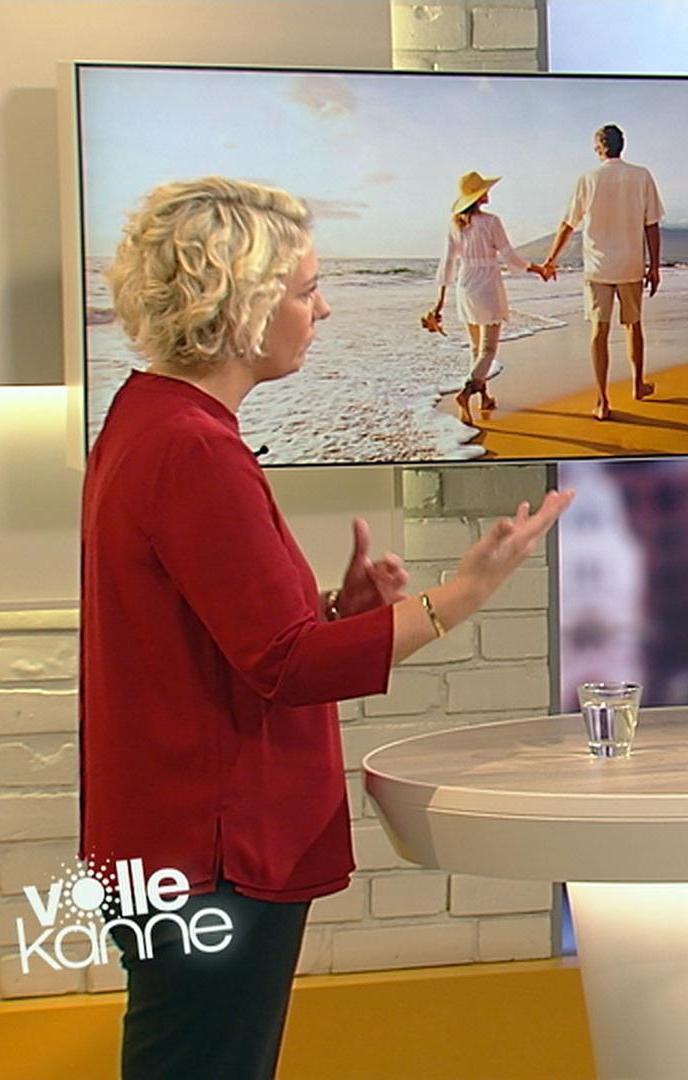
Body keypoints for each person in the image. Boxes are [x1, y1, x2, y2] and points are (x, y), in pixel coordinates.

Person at [86, 176, 574, 1080]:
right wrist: (464, 594)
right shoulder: (193, 447)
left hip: (177, 837)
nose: (324, 309)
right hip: (215, 850)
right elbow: (288, 666)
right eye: (308, 290)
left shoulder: (147, 417)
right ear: (243, 303)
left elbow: (224, 638)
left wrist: (339, 617)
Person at [540, 124, 664, 421]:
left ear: (599, 148)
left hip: (598, 268)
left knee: (599, 331)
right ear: (622, 145)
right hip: (631, 265)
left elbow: (568, 224)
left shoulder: (587, 179)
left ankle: (602, 401)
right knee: (633, 326)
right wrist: (655, 266)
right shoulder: (641, 175)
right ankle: (638, 385)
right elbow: (652, 225)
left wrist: (551, 260)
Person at [426, 170, 553, 422]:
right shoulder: (491, 222)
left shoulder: (455, 224)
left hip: (465, 286)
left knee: (476, 348)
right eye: (485, 190)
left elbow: (447, 263)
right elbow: (510, 257)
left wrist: (439, 303)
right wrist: (538, 269)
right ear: (478, 196)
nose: (489, 193)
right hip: (487, 287)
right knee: (488, 350)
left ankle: (484, 397)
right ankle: (466, 392)